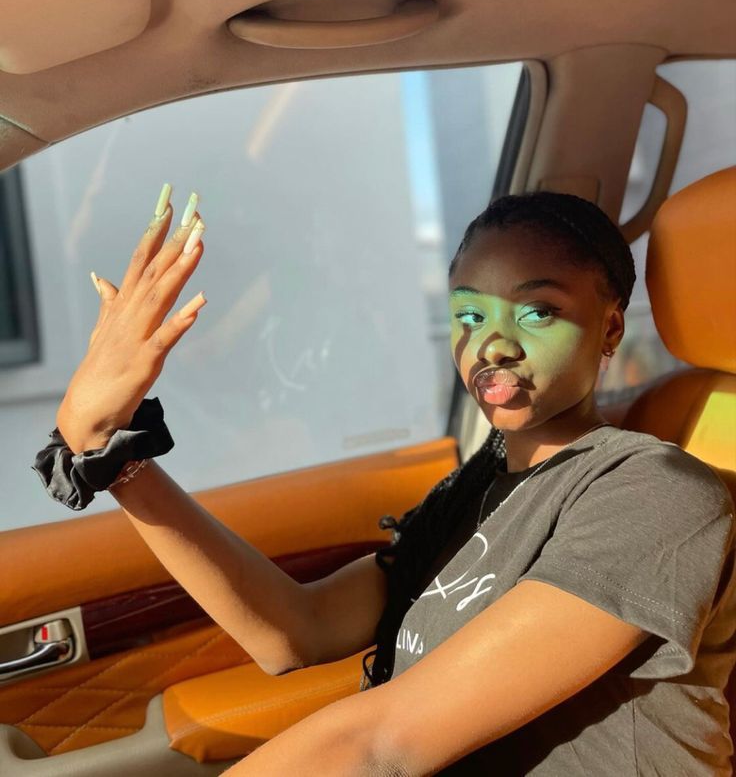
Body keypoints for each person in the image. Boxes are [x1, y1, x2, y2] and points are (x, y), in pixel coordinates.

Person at [51, 185, 736, 775]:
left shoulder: (658, 495)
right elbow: (298, 632)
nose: (491, 344)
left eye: (537, 311)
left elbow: (381, 742)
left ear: (610, 326)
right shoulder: (476, 489)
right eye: (470, 315)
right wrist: (113, 454)